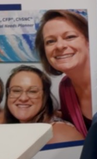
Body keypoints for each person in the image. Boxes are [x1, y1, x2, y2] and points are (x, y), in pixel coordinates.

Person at [36, 9, 92, 137]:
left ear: (89, 41)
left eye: (70, 37)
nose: (60, 46)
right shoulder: (65, 88)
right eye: (50, 41)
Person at [3, 65, 84, 144]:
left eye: (33, 91)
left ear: (45, 96)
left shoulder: (59, 133)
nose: (23, 98)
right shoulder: (6, 129)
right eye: (16, 91)